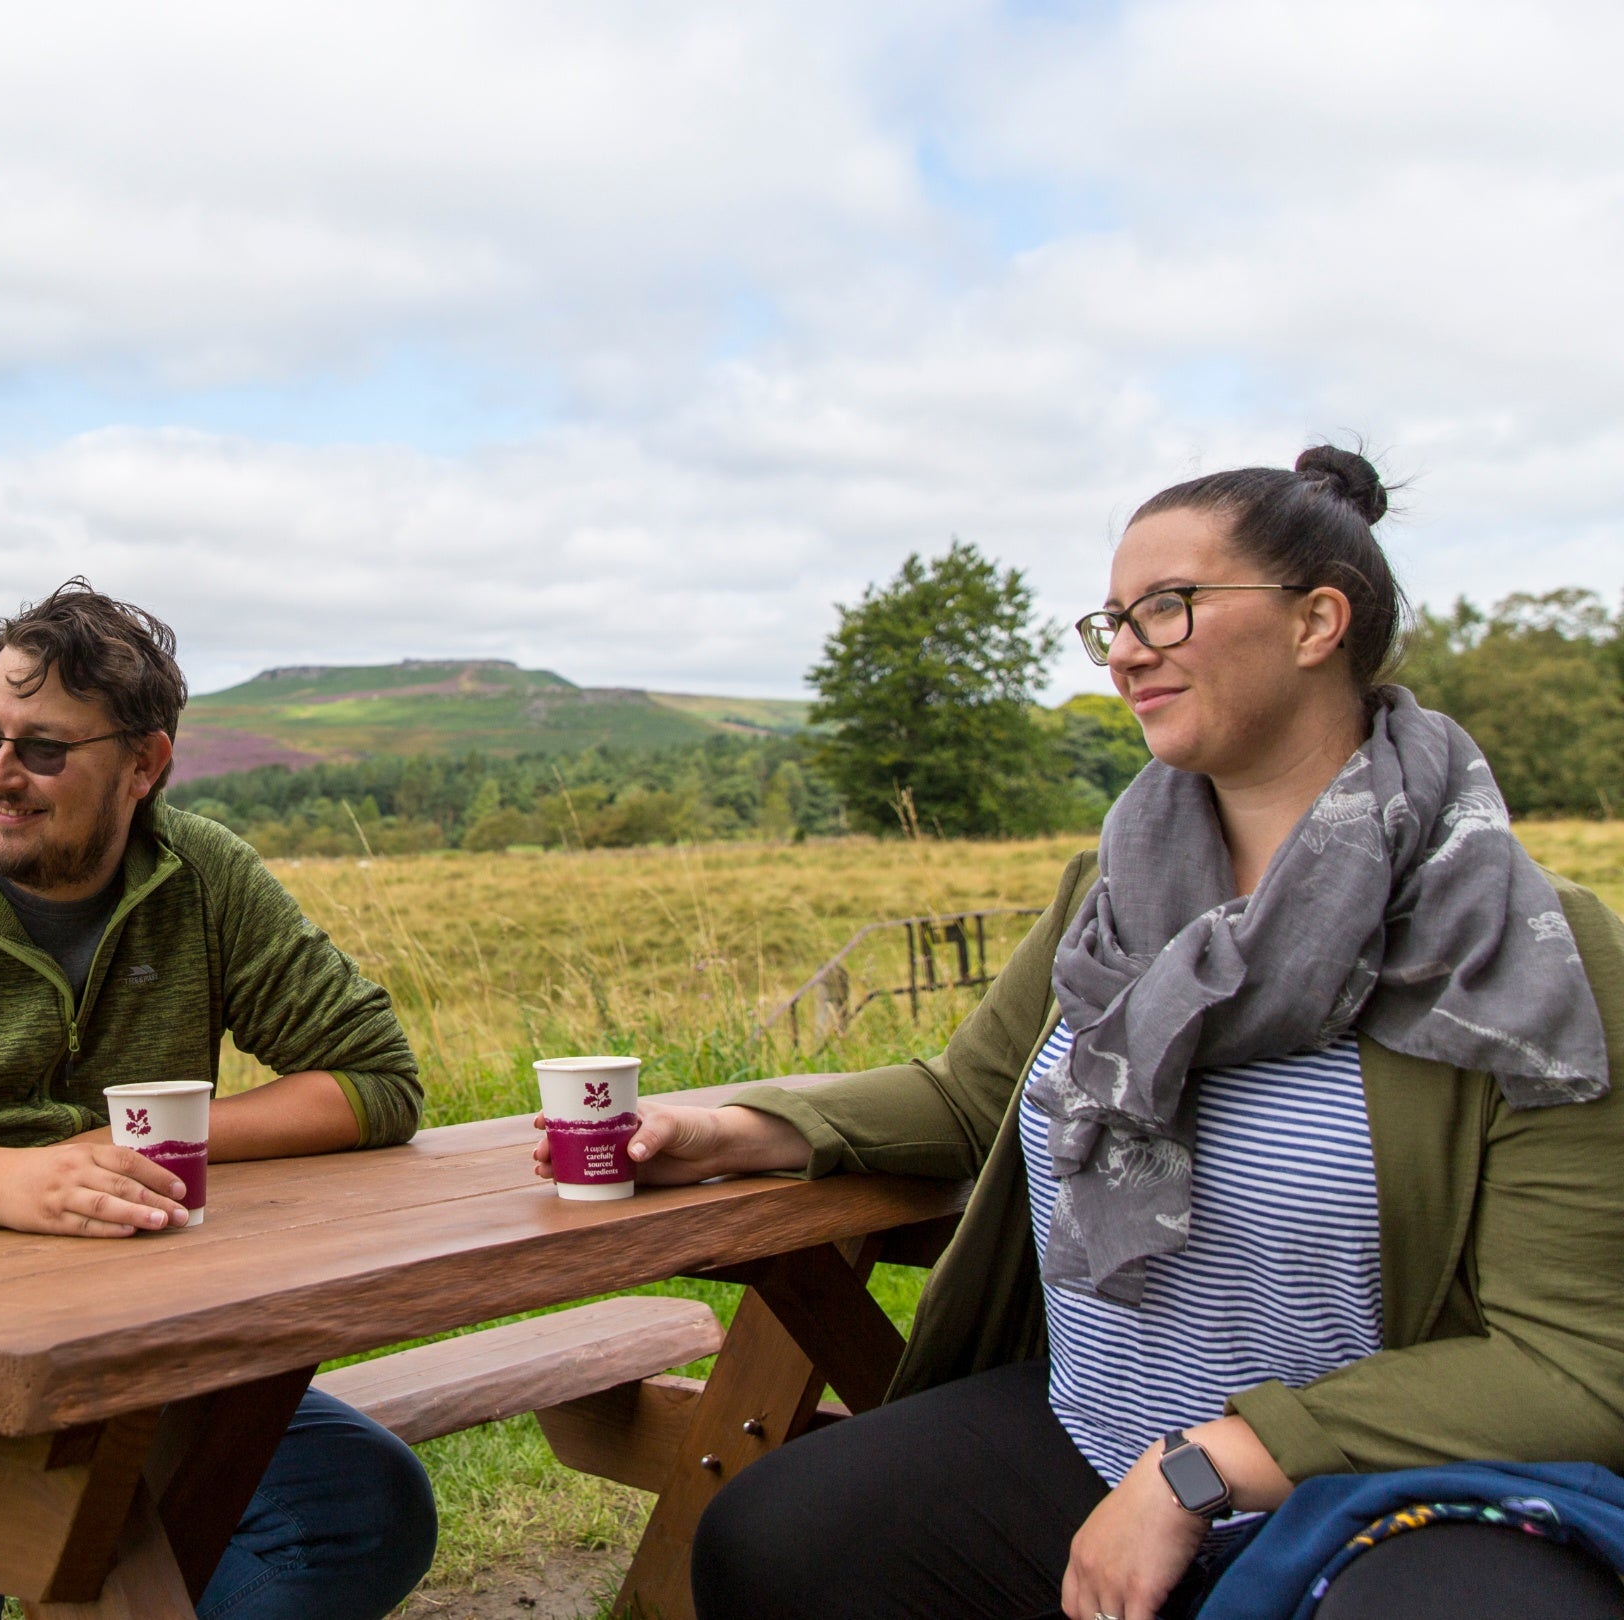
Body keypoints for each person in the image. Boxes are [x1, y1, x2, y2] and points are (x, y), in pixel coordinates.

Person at [589, 446, 1624, 1620]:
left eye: (1170, 608)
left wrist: (1207, 1467)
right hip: (1102, 1423)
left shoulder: (1521, 949)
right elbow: (973, 1098)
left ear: (1317, 621)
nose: (1127, 649)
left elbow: (1578, 1365)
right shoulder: (1115, 894)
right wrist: (733, 1129)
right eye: (1114, 620)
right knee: (782, 1539)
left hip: (1386, 1477)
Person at [0, 580, 439, 1620]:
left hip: (132, 1360)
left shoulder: (204, 877)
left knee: (362, 1514)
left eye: (45, 749)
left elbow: (375, 1082)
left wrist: (132, 1145)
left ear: (144, 765)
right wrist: (13, 1184)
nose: (1, 776)